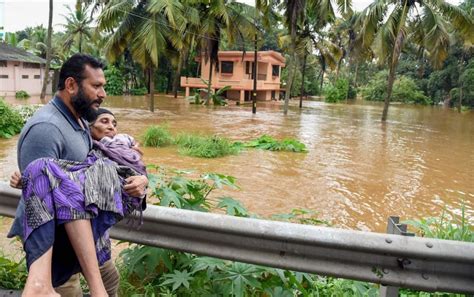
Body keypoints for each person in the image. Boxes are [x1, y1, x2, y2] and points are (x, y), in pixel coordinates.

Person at [7, 53, 148, 297]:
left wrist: (140, 179)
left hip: (89, 236)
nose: (103, 94)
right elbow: (38, 199)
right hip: (60, 245)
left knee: (110, 284)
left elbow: (98, 169)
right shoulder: (46, 129)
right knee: (70, 292)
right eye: (96, 86)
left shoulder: (81, 121)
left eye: (102, 86)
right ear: (71, 85)